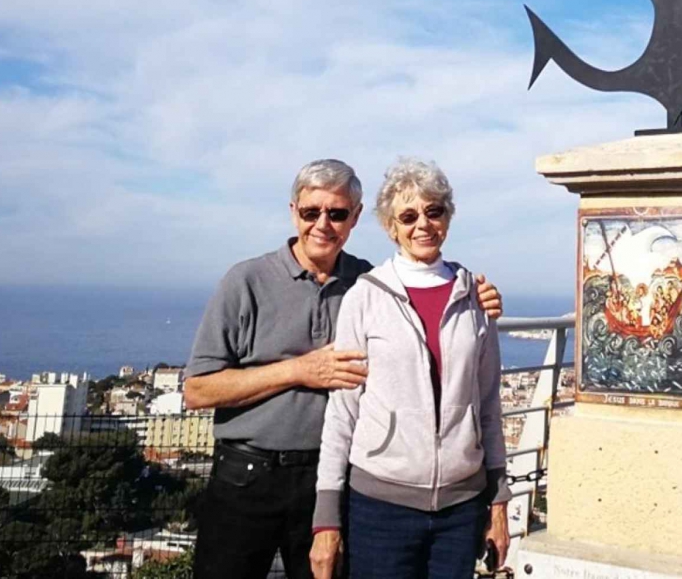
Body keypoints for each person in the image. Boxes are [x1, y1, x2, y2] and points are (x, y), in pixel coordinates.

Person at [185, 159, 504, 579]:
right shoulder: (247, 281)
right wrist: (298, 370)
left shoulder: (367, 283)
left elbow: (429, 298)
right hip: (248, 476)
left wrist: (482, 297)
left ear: (355, 217)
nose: (323, 224)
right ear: (294, 212)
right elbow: (197, 390)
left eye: (336, 213)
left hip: (331, 478)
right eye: (310, 212)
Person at [311, 158, 510, 579]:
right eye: (408, 216)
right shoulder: (366, 297)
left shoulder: (474, 298)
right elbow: (342, 412)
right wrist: (326, 519)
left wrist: (498, 501)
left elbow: (489, 405)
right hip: (380, 506)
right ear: (391, 227)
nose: (423, 224)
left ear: (447, 217)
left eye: (433, 211)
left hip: (461, 508)